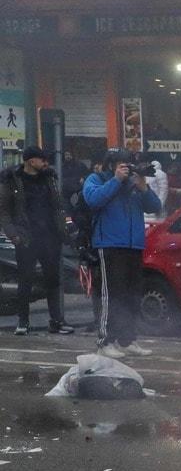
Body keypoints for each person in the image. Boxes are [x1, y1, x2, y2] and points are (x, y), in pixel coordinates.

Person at [83, 149, 161, 358]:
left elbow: (156, 206)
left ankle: (127, 339)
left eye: (127, 164)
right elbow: (93, 200)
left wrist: (143, 187)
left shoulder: (133, 184)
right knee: (111, 295)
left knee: (132, 295)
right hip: (109, 245)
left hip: (133, 245)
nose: (125, 168)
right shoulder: (97, 179)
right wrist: (116, 180)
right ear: (111, 165)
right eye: (120, 164)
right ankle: (105, 341)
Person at [1, 146, 73, 335]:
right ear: (31, 161)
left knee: (53, 279)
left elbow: (58, 205)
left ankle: (56, 320)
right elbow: (5, 210)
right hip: (26, 237)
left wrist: (62, 229)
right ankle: (23, 321)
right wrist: (14, 235)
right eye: (41, 160)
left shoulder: (49, 178)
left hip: (49, 236)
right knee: (25, 279)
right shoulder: (14, 180)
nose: (45, 163)